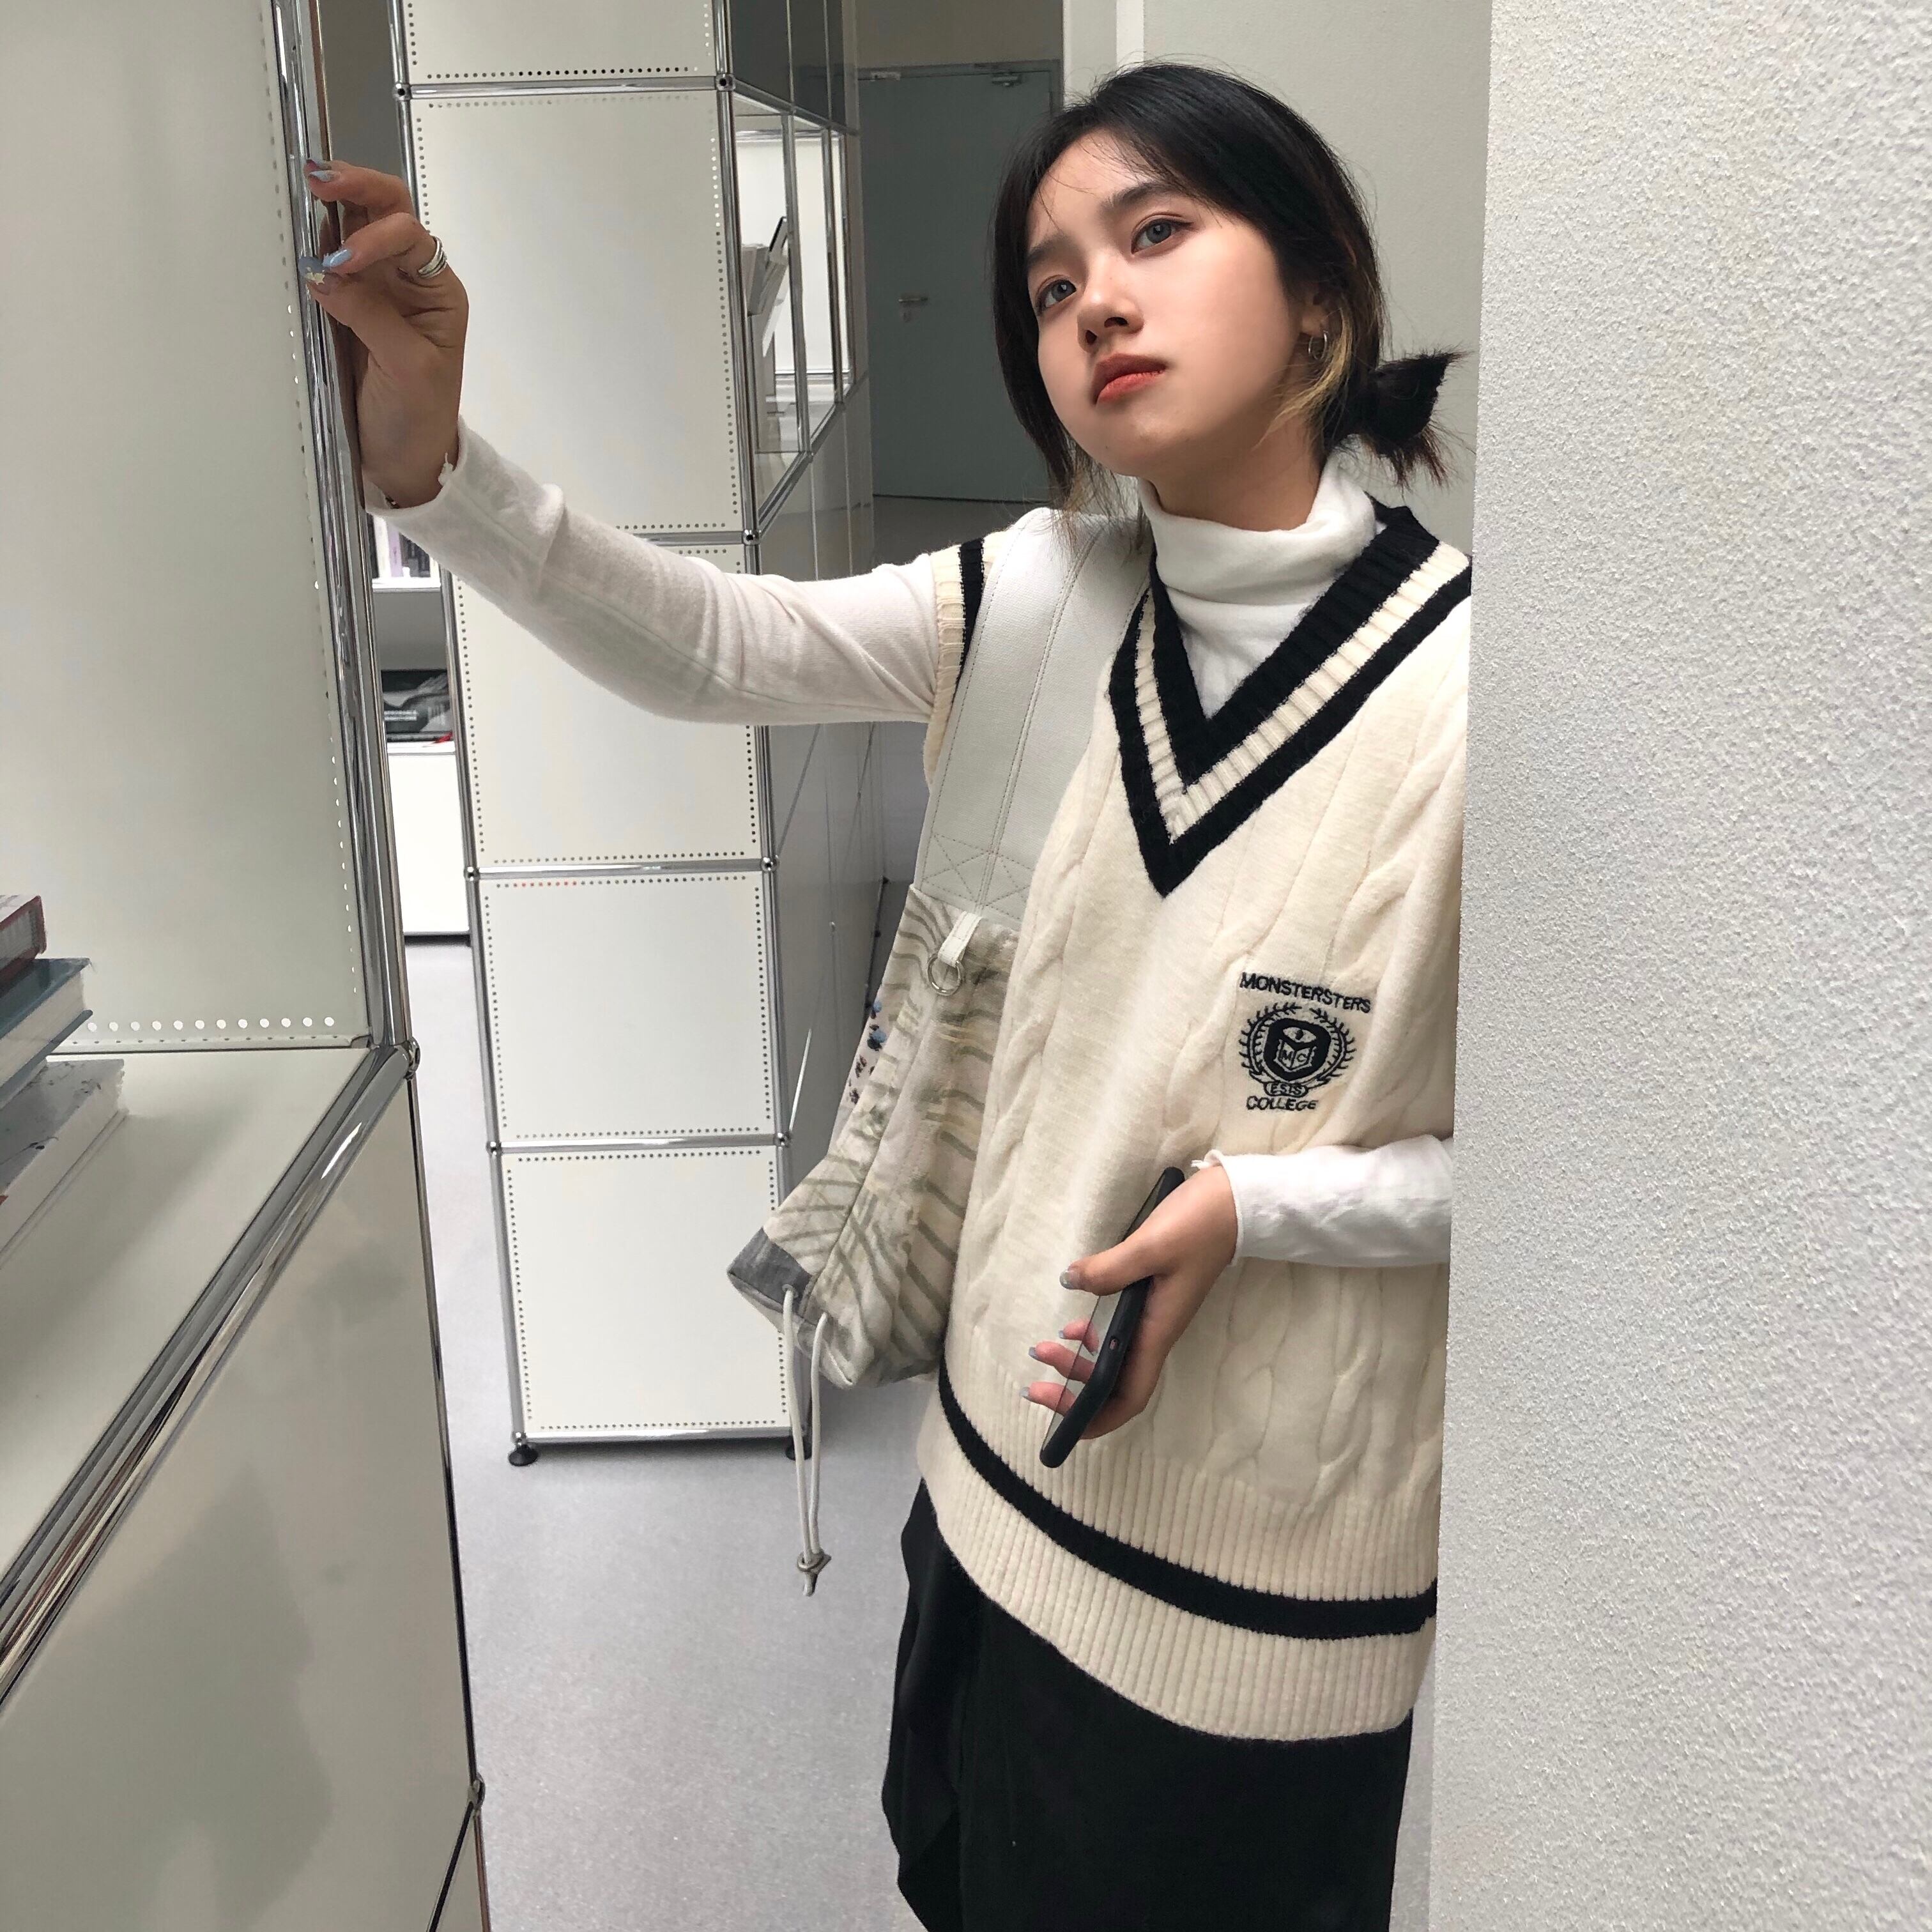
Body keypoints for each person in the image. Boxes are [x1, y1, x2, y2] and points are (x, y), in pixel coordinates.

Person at [301, 59, 1468, 1932]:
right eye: (1051, 283)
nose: (1096, 303)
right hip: (984, 1509)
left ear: (1320, 298)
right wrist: (435, 465)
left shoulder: (1472, 701)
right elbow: (716, 645)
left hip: (1257, 1618)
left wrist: (1263, 1210)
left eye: (1159, 233)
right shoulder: (1044, 600)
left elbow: (1568, 1182)